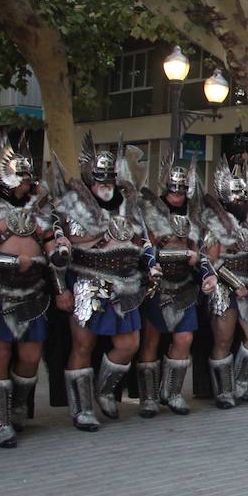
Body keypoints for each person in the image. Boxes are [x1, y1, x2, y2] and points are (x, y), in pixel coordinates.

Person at [54, 137, 148, 432]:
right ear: (89, 179)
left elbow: (141, 239)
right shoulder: (74, 204)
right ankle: (81, 409)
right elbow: (59, 246)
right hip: (87, 279)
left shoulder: (129, 203)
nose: (104, 184)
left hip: (125, 282)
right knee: (83, 344)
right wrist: (61, 288)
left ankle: (104, 390)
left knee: (129, 344)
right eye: (99, 179)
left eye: (109, 178)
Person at [0, 132, 61, 447]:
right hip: (0, 290)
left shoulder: (40, 208)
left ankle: (17, 406)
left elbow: (51, 242)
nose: (28, 182)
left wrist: (57, 251)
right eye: (22, 177)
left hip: (34, 291)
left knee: (30, 356)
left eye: (29, 176)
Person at [200, 161, 248, 406]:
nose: (240, 198)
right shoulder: (214, 223)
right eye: (235, 194)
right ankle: (224, 390)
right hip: (224, 285)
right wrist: (234, 284)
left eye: (243, 194)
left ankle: (241, 382)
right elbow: (209, 260)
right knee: (223, 339)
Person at [137, 162, 210, 416]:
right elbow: (144, 245)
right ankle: (148, 398)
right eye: (173, 190)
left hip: (185, 285)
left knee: (184, 338)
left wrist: (196, 257)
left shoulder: (194, 214)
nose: (177, 195)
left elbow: (200, 247)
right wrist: (155, 260)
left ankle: (173, 392)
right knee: (151, 340)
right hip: (158, 285)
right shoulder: (151, 211)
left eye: (181, 190)